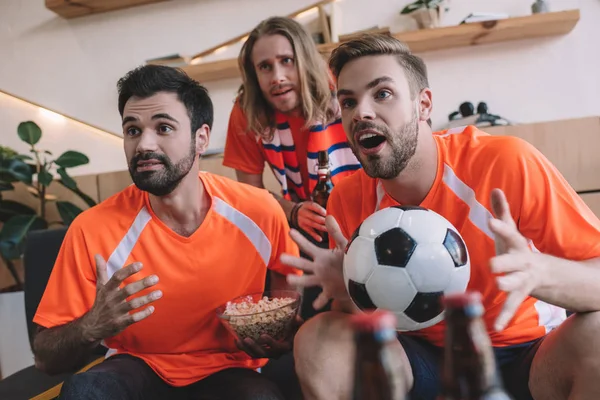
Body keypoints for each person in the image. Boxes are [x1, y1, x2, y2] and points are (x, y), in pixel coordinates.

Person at [280, 34, 600, 400]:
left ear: (424, 104)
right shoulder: (348, 200)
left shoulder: (506, 163)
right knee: (319, 338)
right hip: (419, 360)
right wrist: (348, 293)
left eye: (382, 94)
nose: (361, 113)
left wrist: (541, 272)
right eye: (349, 102)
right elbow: (357, 325)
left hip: (529, 354)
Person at [31, 65, 302, 400]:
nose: (144, 144)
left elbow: (286, 290)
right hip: (135, 365)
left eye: (163, 128)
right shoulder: (92, 228)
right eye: (132, 130)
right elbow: (45, 357)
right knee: (86, 391)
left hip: (230, 368)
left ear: (200, 138)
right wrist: (91, 325)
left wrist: (275, 334)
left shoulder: (259, 211)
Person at [223, 16, 361, 244]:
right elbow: (251, 193)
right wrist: (293, 211)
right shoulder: (247, 110)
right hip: (306, 218)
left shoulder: (342, 85)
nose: (277, 78)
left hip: (366, 207)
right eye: (265, 67)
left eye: (286, 60)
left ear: (306, 61)